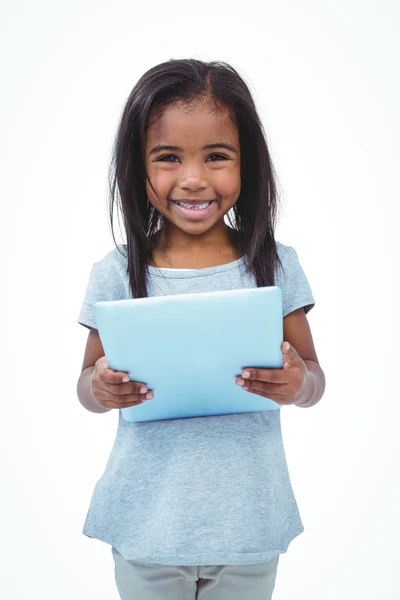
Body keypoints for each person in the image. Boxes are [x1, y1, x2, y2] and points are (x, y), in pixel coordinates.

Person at [76, 58, 326, 600]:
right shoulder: (116, 273)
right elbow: (85, 386)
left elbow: (314, 378)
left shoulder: (276, 265)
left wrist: (297, 382)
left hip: (248, 524)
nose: (193, 179)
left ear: (248, 165)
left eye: (217, 156)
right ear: (138, 169)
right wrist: (100, 386)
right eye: (168, 158)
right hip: (148, 522)